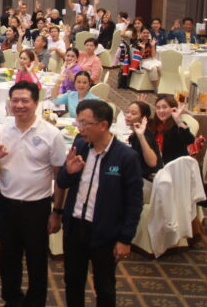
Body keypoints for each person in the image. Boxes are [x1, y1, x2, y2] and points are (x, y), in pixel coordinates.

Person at [0, 81, 65, 307]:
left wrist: (57, 212)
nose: (19, 105)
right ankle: (13, 300)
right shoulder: (2, 131)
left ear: (36, 103)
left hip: (37, 207)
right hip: (7, 205)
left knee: (37, 260)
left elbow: (60, 178)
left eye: (25, 101)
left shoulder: (51, 134)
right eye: (15, 101)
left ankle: (35, 302)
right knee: (8, 259)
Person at [57, 100, 143, 307]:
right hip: (75, 227)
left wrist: (125, 239)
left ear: (103, 125)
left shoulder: (126, 157)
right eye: (79, 123)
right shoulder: (80, 146)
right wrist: (69, 172)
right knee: (73, 281)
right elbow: (62, 182)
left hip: (105, 231)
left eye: (85, 124)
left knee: (104, 287)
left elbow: (134, 202)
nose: (80, 129)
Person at [149, 94, 195, 164]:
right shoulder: (155, 124)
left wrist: (177, 119)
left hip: (175, 166)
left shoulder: (177, 126)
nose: (161, 111)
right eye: (158, 108)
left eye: (164, 107)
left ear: (173, 109)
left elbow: (190, 140)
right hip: (157, 164)